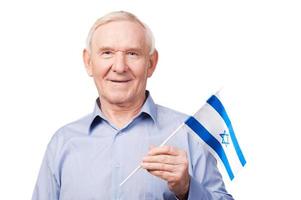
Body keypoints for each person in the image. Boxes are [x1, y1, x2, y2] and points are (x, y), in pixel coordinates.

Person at [32, 11, 234, 200]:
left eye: (132, 54)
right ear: (88, 62)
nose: (119, 67)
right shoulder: (62, 142)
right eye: (107, 53)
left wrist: (187, 188)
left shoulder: (188, 134)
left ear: (151, 63)